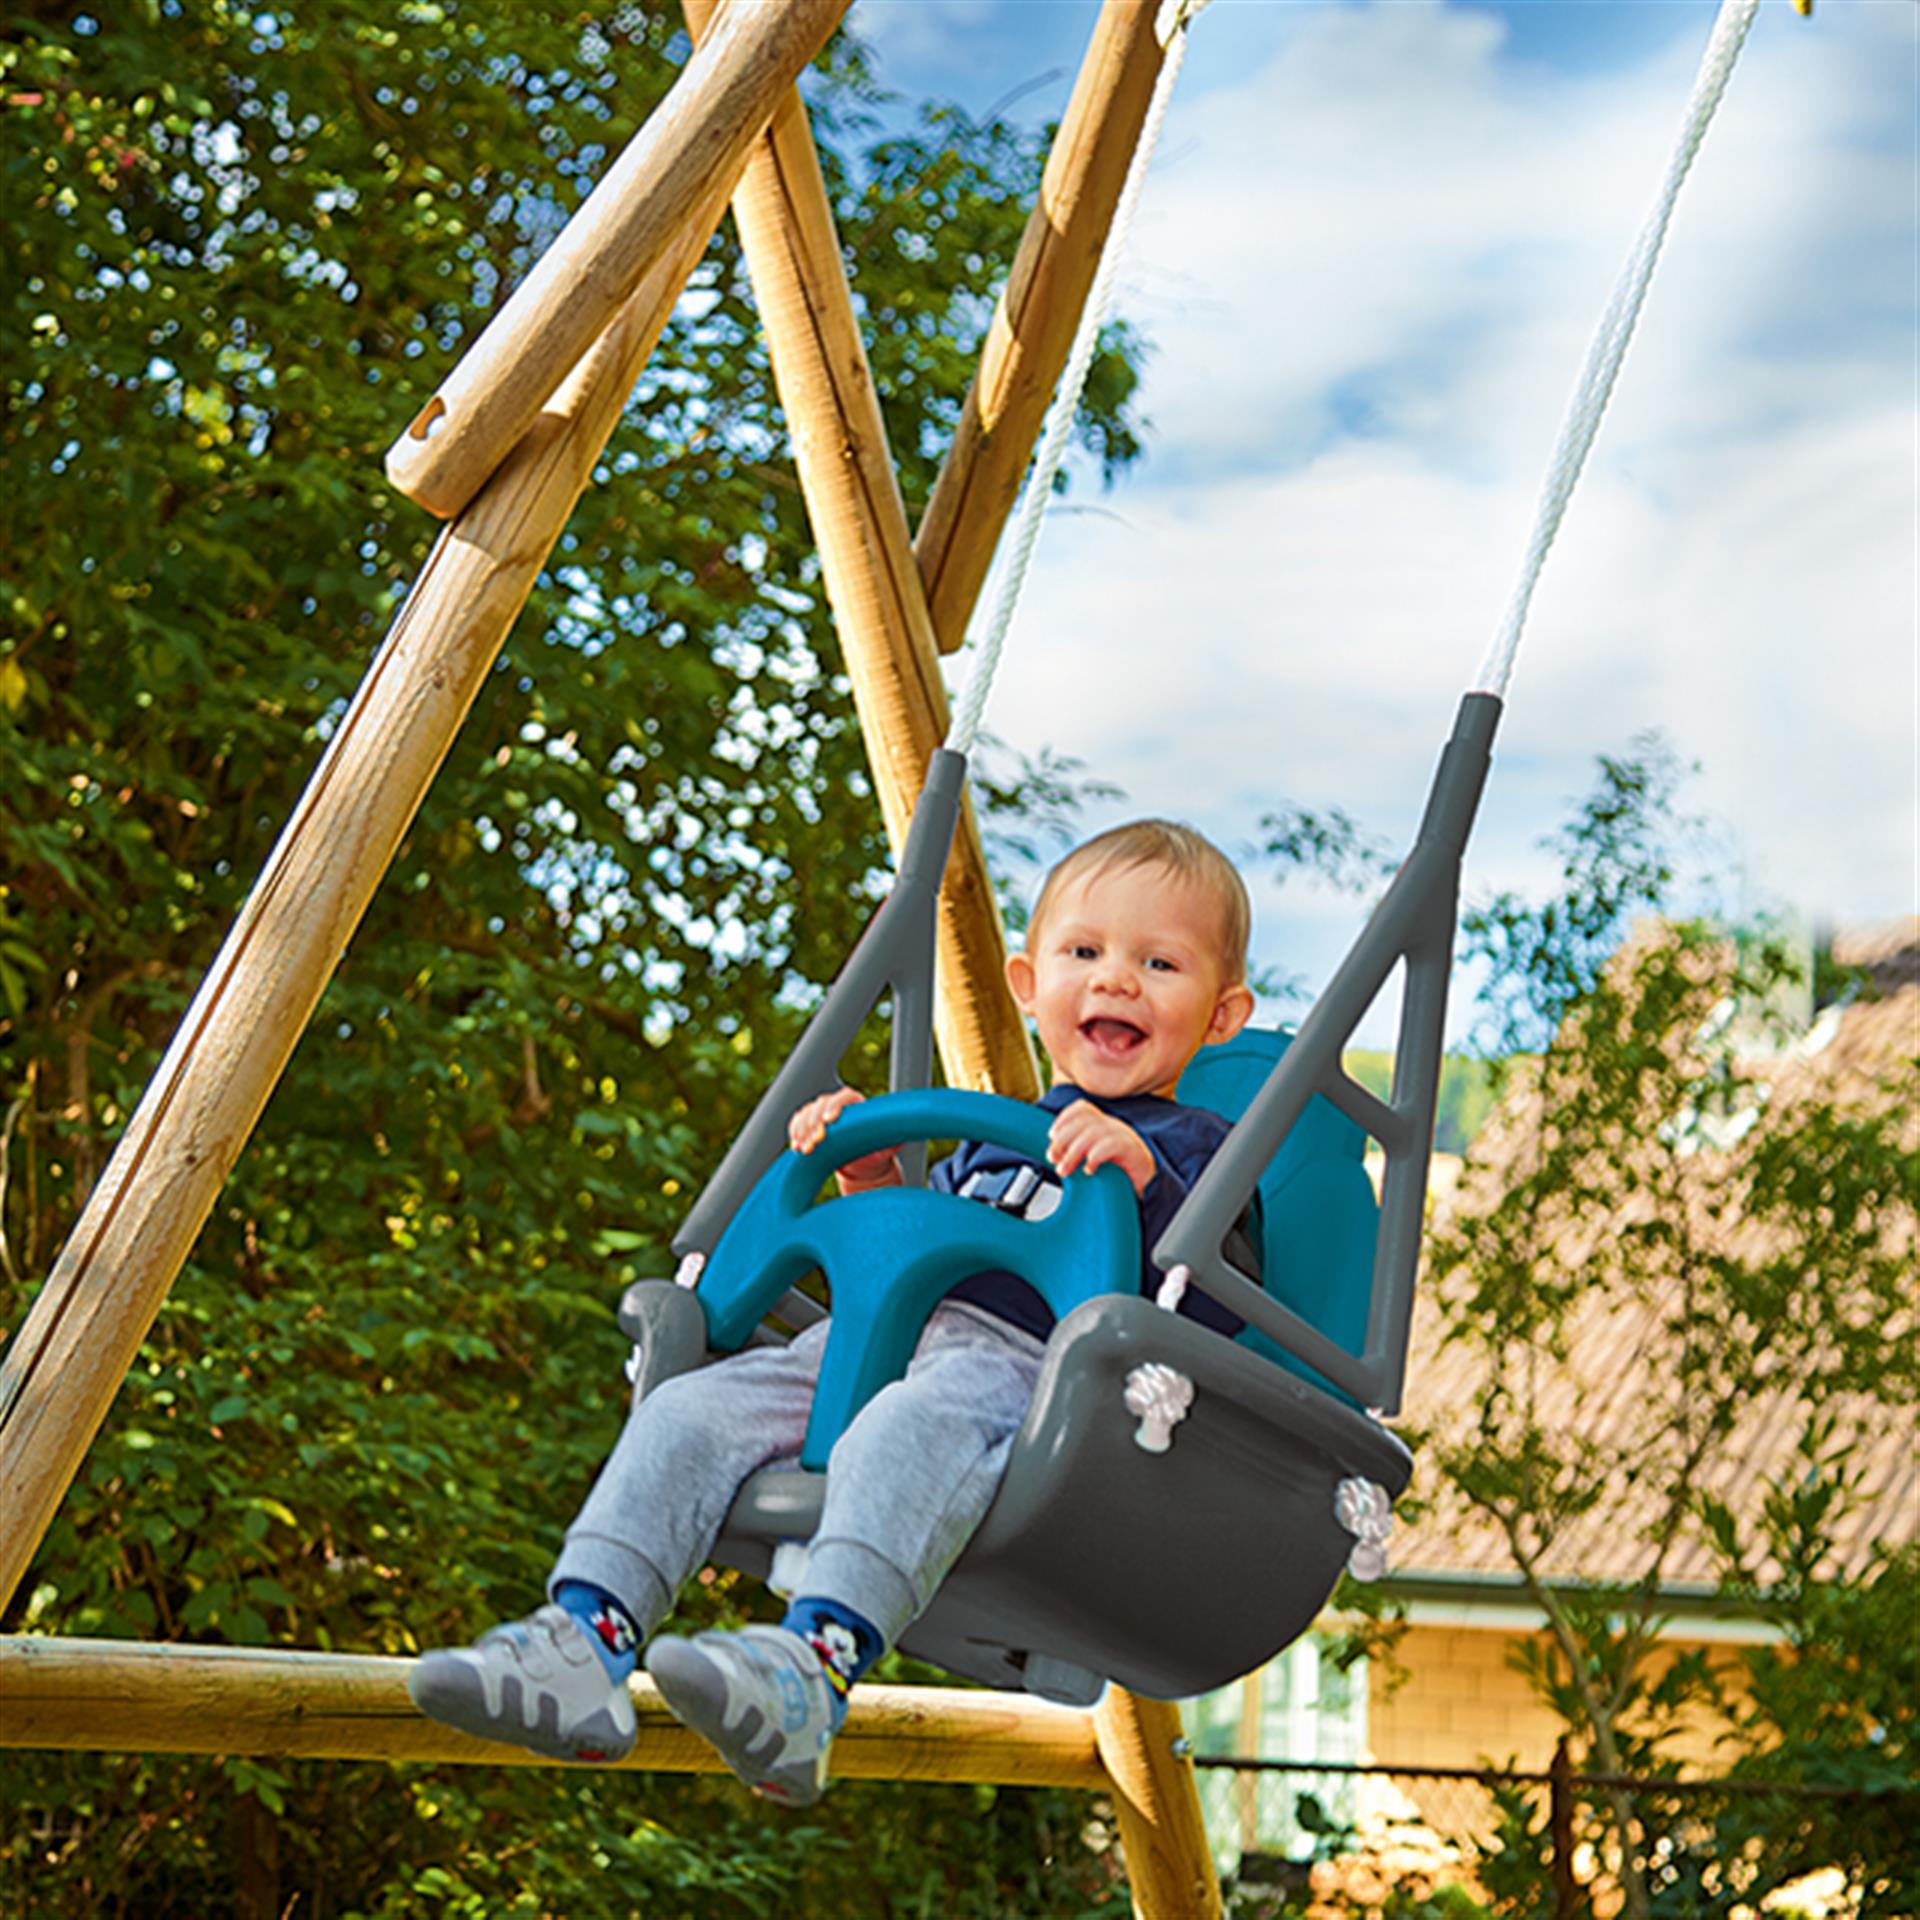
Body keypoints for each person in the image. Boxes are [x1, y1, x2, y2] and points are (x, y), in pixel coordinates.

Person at [408, 820, 1257, 1802]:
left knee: (909, 1425)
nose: (1115, 981)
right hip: (876, 1342)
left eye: (1159, 962)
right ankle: (583, 1641)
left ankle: (813, 1669)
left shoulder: (1203, 1149)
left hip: (1031, 1377)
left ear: (1223, 1013)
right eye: (1084, 953)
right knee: (689, 1408)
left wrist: (1147, 1174)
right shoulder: (991, 1138)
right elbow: (911, 1244)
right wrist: (869, 1171)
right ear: (1029, 984)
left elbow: (1220, 1301)